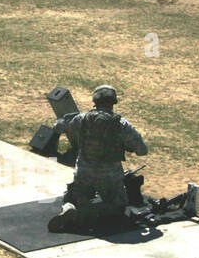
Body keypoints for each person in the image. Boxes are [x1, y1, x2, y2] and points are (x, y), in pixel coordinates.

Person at [47, 85, 148, 233]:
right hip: (110, 176)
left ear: (95, 101)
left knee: (71, 197)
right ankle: (93, 211)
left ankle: (70, 208)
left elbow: (58, 126)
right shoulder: (121, 124)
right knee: (118, 206)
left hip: (83, 172)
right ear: (113, 102)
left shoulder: (81, 119)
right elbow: (142, 150)